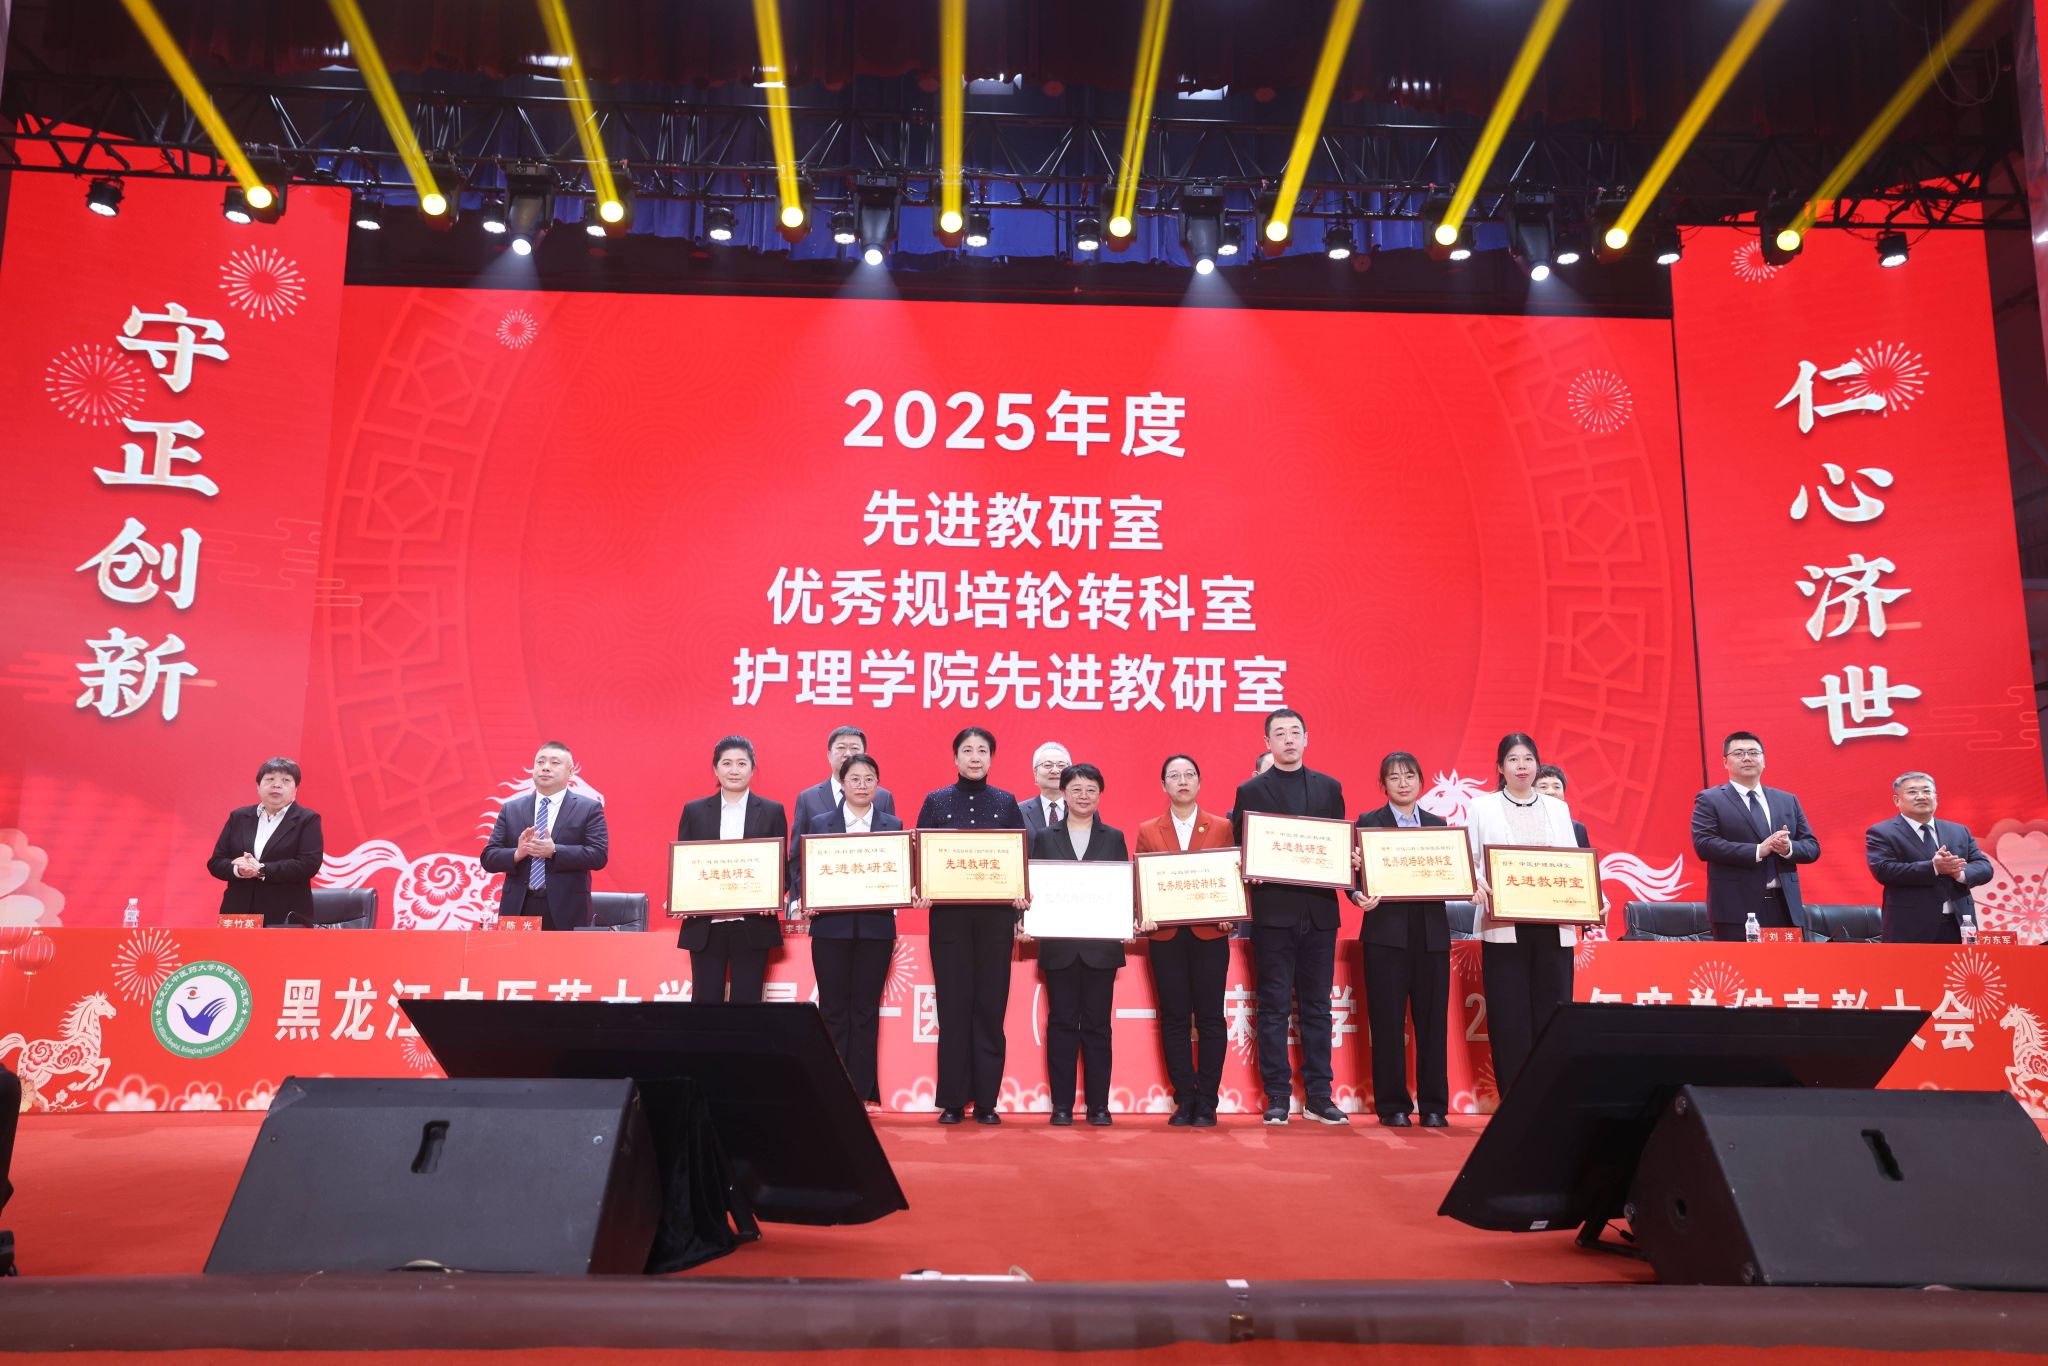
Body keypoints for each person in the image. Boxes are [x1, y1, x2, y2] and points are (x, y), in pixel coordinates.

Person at [1232, 708, 1348, 1126]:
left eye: (1295, 732)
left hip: (1319, 912)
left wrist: (1349, 867)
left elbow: (1340, 846)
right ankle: (1278, 1095)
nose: (1288, 740)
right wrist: (1250, 866)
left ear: (1306, 738)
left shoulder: (1329, 788)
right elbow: (1240, 847)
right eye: (1279, 734)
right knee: (1273, 1007)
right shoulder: (1250, 791)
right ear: (1267, 742)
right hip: (1273, 914)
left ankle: (1319, 1095)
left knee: (1318, 1007)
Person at [914, 727, 1029, 1126]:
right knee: (953, 1008)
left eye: (982, 750)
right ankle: (952, 1100)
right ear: (955, 758)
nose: (975, 757)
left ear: (991, 758)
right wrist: (921, 887)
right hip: (949, 921)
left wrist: (1020, 896)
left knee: (990, 1008)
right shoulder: (936, 801)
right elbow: (920, 855)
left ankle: (986, 1101)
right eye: (967, 750)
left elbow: (1019, 858)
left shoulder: (1006, 802)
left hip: (995, 920)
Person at [1466, 733, 1580, 1098]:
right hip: (1505, 925)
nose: (1521, 766)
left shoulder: (1557, 809)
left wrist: (1596, 900)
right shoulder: (1482, 807)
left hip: (1553, 924)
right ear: (1500, 767)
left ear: (1537, 765)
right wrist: (1477, 883)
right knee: (1509, 1016)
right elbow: (1470, 860)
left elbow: (1574, 861)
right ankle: (1515, 1100)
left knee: (1553, 1013)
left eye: (1528, 759)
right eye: (1513, 760)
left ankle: (1550, 1096)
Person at [1350, 752, 1451, 1128]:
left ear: (1421, 781)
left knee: (1432, 1024)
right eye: (1394, 778)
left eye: (1409, 776)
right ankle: (1392, 1105)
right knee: (1387, 1022)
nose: (1403, 783)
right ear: (1383, 785)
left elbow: (1451, 874)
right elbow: (1351, 876)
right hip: (1385, 937)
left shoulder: (1439, 826)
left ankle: (1434, 1105)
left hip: (1431, 936)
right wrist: (1357, 894)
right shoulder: (1367, 823)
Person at [1135, 754, 1236, 1128]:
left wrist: (1231, 912)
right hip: (1166, 936)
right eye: (1174, 776)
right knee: (1174, 1018)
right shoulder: (1149, 829)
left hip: (1210, 934)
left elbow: (1232, 877)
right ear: (1163, 785)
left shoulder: (1221, 826)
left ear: (1199, 781)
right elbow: (1142, 882)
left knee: (1210, 1017)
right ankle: (1184, 1099)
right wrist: (1143, 912)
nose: (1182, 781)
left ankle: (1207, 1100)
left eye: (1189, 774)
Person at [1028, 763, 1129, 1126]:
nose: (1084, 796)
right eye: (1076, 789)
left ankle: (1099, 1106)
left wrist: (1126, 919)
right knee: (1061, 1025)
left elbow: (1123, 888)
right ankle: (1062, 1105)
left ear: (1100, 794)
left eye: (1091, 790)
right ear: (1064, 794)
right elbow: (1034, 886)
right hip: (1060, 946)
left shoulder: (1114, 837)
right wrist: (1027, 919)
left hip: (1101, 947)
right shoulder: (1044, 836)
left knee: (1099, 1027)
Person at [797, 753, 899, 1105]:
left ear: (878, 785)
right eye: (854, 779)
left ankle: (861, 1091)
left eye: (869, 779)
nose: (862, 785)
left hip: (876, 931)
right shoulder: (821, 824)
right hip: (830, 930)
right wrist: (805, 898)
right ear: (841, 784)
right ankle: (833, 1089)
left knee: (866, 1011)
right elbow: (806, 869)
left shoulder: (892, 825)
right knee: (833, 1010)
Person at [677, 737, 789, 1001]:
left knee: (747, 1005)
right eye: (726, 763)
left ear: (752, 768)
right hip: (706, 925)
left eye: (741, 763)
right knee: (705, 1001)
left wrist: (773, 896)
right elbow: (684, 864)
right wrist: (680, 895)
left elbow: (780, 867)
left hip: (752, 924)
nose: (734, 770)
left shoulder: (772, 811)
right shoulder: (694, 811)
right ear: (715, 769)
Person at [1690, 731, 1820, 942]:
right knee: (1740, 964)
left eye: (1753, 752)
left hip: (1784, 907)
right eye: (1738, 753)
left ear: (1764, 760)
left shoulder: (1787, 800)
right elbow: (1705, 845)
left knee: (1784, 964)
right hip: (1735, 909)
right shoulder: (1710, 799)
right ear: (1725, 762)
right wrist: (1758, 850)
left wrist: (1788, 848)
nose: (1747, 758)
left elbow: (1812, 847)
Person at [480, 742, 610, 931]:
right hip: (519, 908)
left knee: (564, 952)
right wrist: (517, 854)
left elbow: (598, 855)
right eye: (540, 762)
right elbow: (489, 858)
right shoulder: (511, 809)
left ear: (570, 771)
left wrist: (555, 851)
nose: (545, 767)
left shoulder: (588, 809)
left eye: (554, 763)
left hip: (567, 910)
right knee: (516, 952)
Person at [1865, 772, 1994, 943]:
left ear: (1935, 797)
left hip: (1960, 925)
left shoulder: (1958, 830)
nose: (1921, 796)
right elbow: (1884, 870)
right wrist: (1933, 867)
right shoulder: (1882, 832)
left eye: (1927, 791)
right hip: (1910, 927)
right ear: (1897, 800)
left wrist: (1959, 873)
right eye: (1912, 792)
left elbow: (1984, 867)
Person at [207, 757, 326, 926]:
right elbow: (216, 862)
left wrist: (261, 870)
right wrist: (239, 870)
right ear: (258, 786)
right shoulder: (239, 817)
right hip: (238, 914)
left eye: (285, 780)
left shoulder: (307, 819)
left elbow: (309, 864)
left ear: (295, 789)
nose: (276, 785)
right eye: (270, 779)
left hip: (285, 915)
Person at [790, 726, 896, 886]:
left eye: (854, 748)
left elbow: (892, 851)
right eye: (841, 748)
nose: (847, 753)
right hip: (825, 890)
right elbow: (798, 857)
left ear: (864, 754)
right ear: (829, 755)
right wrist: (800, 897)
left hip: (872, 889)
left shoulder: (882, 797)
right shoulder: (807, 798)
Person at [1019, 740, 1072, 837]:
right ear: (1035, 773)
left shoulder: (1083, 809)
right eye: (1048, 765)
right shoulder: (1019, 811)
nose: (1055, 770)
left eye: (1061, 765)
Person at [1534, 765, 1590, 849]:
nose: (1551, 792)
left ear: (1563, 793)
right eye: (1543, 787)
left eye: (1556, 787)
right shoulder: (1521, 824)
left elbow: (1585, 857)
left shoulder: (1577, 828)